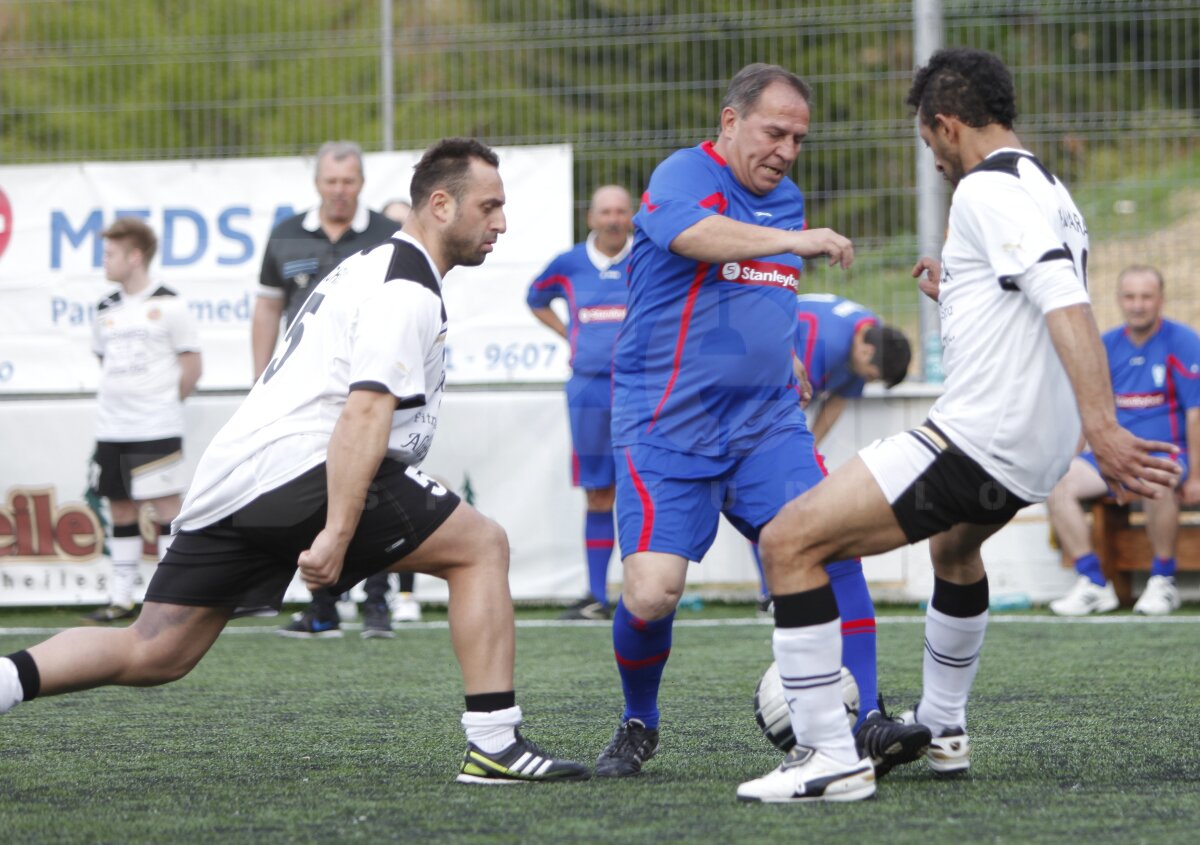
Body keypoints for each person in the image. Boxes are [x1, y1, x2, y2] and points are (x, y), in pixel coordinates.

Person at [0, 138, 589, 785]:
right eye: (491, 205)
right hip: (303, 469)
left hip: (234, 477)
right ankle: (494, 742)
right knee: (481, 546)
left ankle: (5, 680)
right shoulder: (405, 286)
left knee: (155, 648)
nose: (501, 222)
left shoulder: (372, 264)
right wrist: (336, 532)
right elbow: (363, 414)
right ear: (442, 204)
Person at [736, 47, 1180, 804]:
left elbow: (1066, 304)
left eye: (928, 143)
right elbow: (1034, 301)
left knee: (788, 541)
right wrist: (963, 293)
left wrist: (1104, 427)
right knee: (955, 550)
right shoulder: (1048, 187)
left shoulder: (983, 190)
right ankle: (942, 726)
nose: (934, 162)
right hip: (1029, 454)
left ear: (946, 127)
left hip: (981, 439)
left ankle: (826, 754)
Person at [596, 63, 931, 780]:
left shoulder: (786, 198)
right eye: (774, 131)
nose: (785, 150)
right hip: (665, 424)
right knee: (651, 594)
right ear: (730, 122)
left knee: (831, 545)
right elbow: (691, 237)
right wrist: (795, 241)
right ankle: (638, 721)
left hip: (765, 423)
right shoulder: (685, 174)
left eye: (798, 138)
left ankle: (866, 716)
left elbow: (756, 292)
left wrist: (784, 354)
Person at [252, 140, 404, 638]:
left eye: (349, 181)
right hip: (304, 389)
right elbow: (268, 308)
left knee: (374, 486)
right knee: (312, 492)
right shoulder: (286, 235)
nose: (340, 191)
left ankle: (377, 604)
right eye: (331, 181)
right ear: (317, 183)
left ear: (361, 184)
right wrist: (262, 383)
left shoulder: (389, 235)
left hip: (371, 384)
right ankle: (322, 606)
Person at [1047, 265, 1200, 616]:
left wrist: (1195, 478)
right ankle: (1093, 584)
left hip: (1165, 455)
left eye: (1146, 296)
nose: (1138, 305)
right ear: (1119, 300)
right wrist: (1072, 460)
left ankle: (1163, 581)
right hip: (1113, 456)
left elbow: (1196, 413)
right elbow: (1091, 410)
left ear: (1160, 300)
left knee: (1154, 477)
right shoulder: (1106, 345)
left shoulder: (1184, 341)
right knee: (1056, 482)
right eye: (1130, 297)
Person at [748, 295, 912, 612]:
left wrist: (808, 445)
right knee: (767, 495)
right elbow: (790, 396)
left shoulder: (865, 338)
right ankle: (773, 591)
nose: (869, 380)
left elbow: (838, 400)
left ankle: (775, 590)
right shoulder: (832, 343)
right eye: (872, 375)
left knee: (784, 495)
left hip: (773, 382)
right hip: (755, 377)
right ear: (866, 352)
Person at [86, 217, 203, 622]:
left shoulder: (172, 303)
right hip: (112, 427)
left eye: (111, 254)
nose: (104, 261)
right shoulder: (104, 308)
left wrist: (163, 405)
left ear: (135, 257)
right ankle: (122, 597)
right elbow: (104, 361)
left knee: (166, 508)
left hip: (156, 427)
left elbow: (192, 365)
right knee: (120, 509)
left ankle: (173, 598)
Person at [526, 185, 634, 621]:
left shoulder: (648, 257)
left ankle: (644, 591)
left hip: (639, 389)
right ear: (591, 217)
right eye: (605, 212)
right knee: (598, 489)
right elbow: (535, 299)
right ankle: (595, 595)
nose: (612, 219)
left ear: (633, 216)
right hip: (588, 390)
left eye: (620, 211)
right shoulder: (569, 264)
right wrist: (568, 333)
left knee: (643, 488)